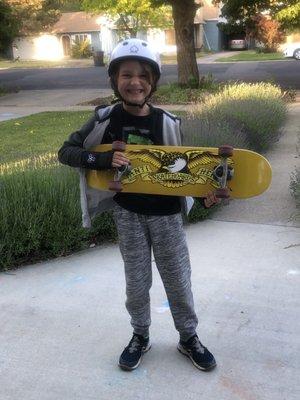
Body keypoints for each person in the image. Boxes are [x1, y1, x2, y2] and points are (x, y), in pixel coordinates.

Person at [58, 38, 219, 372]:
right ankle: (140, 335)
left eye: (144, 75)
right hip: (128, 215)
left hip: (166, 217)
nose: (135, 82)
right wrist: (101, 160)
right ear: (115, 81)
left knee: (177, 280)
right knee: (136, 282)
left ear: (153, 82)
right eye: (126, 75)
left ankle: (188, 337)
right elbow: (67, 151)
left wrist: (206, 195)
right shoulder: (104, 118)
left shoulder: (168, 122)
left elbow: (187, 172)